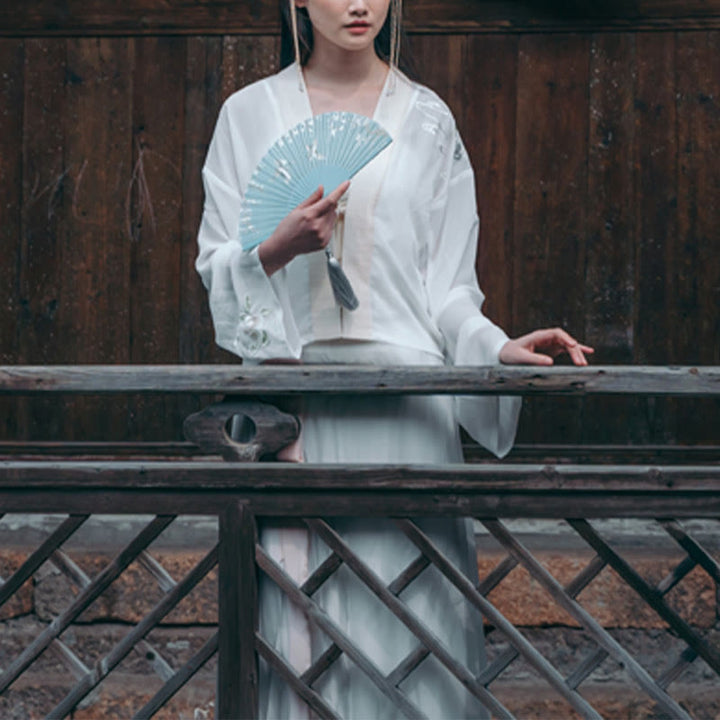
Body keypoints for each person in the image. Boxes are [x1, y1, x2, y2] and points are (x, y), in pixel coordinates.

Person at [196, 0, 593, 717]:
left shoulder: (429, 120)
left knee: (417, 633)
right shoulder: (247, 115)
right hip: (303, 417)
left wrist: (496, 347)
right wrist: (280, 245)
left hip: (409, 412)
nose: (357, 4)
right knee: (306, 639)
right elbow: (218, 263)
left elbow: (446, 292)